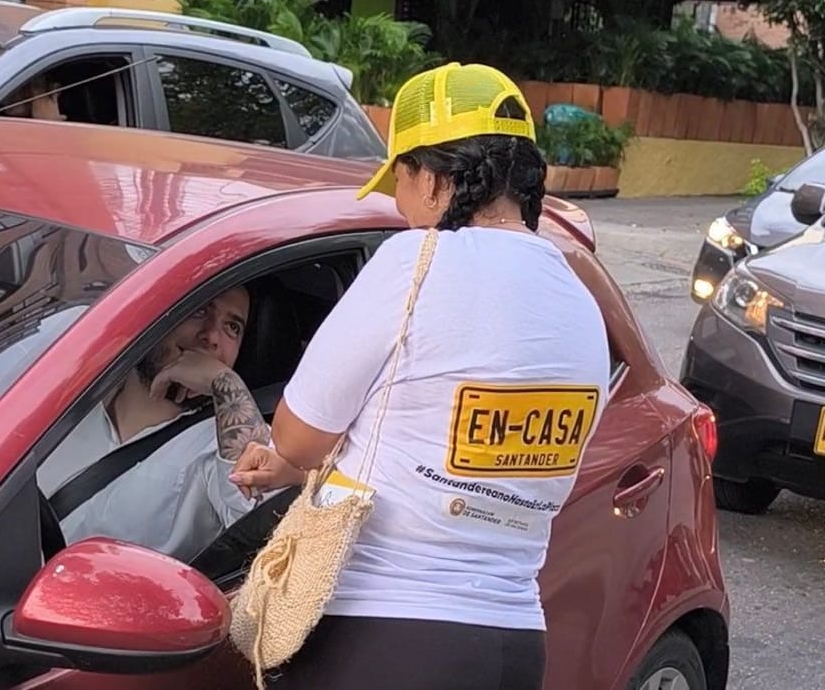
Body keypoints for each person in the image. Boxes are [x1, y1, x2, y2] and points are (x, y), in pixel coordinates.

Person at [225, 62, 612, 690]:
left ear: (431, 179)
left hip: (383, 638)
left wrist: (293, 458)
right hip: (514, 645)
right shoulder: (579, 299)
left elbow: (296, 436)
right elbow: (470, 463)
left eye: (400, 181)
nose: (400, 206)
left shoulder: (417, 261)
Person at [37, 284, 269, 562]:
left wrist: (225, 383)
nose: (211, 336)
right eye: (199, 311)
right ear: (156, 317)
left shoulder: (222, 443)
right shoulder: (67, 396)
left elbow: (265, 515)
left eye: (232, 327)